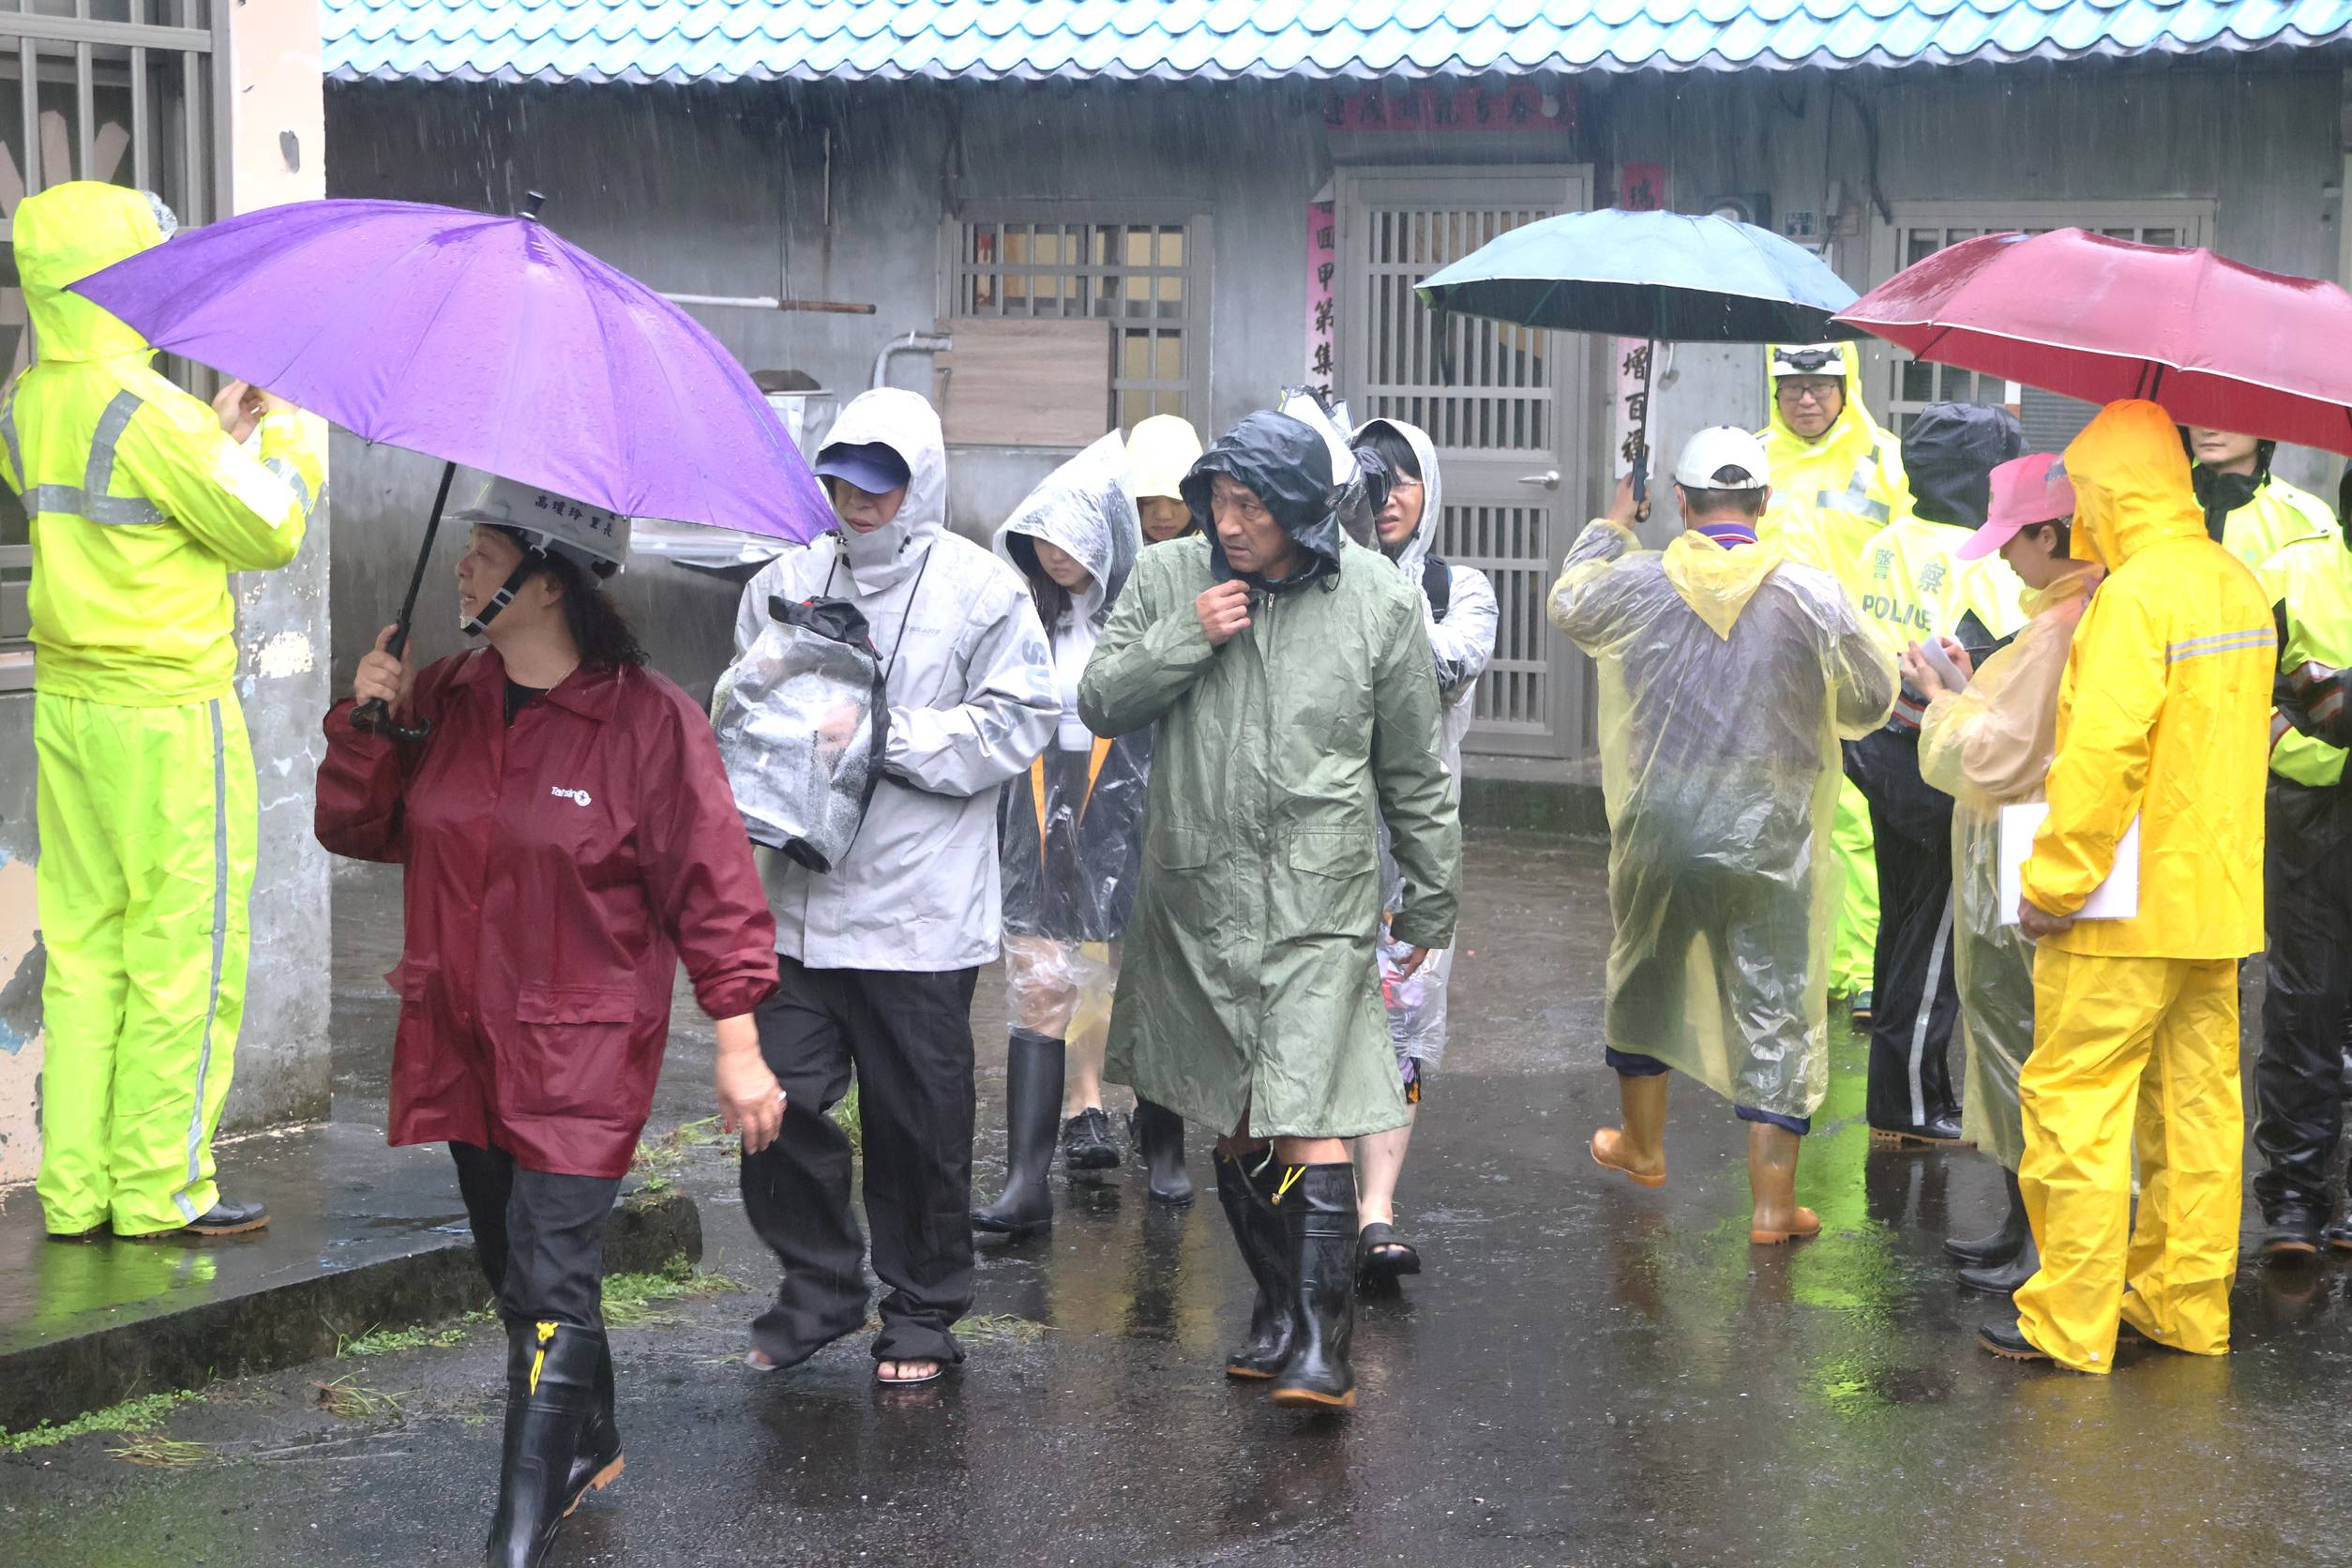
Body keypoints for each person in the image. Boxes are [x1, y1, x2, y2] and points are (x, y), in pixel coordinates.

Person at [315, 479, 784, 1564]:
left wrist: (738, 1040)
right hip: (464, 1033)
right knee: (511, 1261)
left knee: (549, 1274)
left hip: (582, 1041)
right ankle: (589, 1436)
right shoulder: (450, 694)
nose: (464, 572)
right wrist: (368, 716)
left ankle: (515, 1526)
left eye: (484, 554)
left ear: (547, 575)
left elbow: (713, 885)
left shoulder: (650, 724)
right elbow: (357, 825)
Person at [1079, 408, 1459, 1410]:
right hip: (1196, 897)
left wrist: (1433, 896)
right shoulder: (1171, 576)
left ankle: (1325, 1346)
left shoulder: (1377, 600)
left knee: (1309, 1113)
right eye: (1218, 500)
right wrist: (1185, 637)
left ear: (1299, 510)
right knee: (1242, 1121)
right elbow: (1100, 699)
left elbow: (1415, 768)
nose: (1228, 520)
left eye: (1250, 504)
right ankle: (1284, 1305)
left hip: (1318, 900)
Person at [11, 181, 322, 1242]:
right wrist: (283, 442)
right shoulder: (149, 411)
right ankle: (161, 1188)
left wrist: (213, 435)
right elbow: (267, 527)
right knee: (184, 951)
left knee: (89, 955)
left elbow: (144, 507)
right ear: (115, 278)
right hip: (168, 715)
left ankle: (78, 1191)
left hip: (69, 709)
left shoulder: (29, 400)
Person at [729, 388, 1057, 1387]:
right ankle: (822, 1279)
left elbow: (1019, 721)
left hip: (918, 911)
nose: (857, 500)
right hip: (799, 903)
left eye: (881, 484)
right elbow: (741, 700)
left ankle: (920, 1308)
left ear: (922, 485)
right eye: (841, 479)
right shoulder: (785, 575)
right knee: (772, 1101)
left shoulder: (982, 590)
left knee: (920, 1129)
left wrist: (886, 735)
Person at [1979, 400, 2271, 1373]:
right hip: (2216, 904)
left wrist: (2055, 883)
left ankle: (2069, 1321)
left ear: (2109, 491)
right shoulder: (2236, 584)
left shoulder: (2135, 596)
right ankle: (2185, 1307)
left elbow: (2105, 757)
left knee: (2077, 1103)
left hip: (2121, 907)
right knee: (2198, 1113)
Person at [1554, 426, 1895, 1246]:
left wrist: (1610, 525)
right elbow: (1870, 697)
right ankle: (1774, 1209)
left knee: (1646, 977)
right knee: (1777, 1003)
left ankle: (1641, 1146)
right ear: (1765, 503)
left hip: (1661, 823)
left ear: (1680, 502)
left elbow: (1568, 602)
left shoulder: (1635, 583)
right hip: (1770, 834)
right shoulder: (1810, 592)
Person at [970, 431, 1191, 1236]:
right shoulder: (1026, 612)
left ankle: (1160, 1135)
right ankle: (1029, 1174)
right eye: (1043, 541)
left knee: (1140, 969)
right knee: (1041, 977)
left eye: (1072, 541)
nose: (1056, 557)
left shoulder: (1142, 609)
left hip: (1133, 805)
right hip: (1036, 808)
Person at [1910, 454, 2098, 1296]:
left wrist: (1941, 699)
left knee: (2031, 1051)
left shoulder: (2063, 626)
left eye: (2012, 541)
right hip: (2017, 850)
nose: (2002, 558)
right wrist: (1964, 680)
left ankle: (2046, 1244)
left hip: (2027, 855)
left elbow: (1997, 753)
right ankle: (2026, 1228)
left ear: (2050, 535)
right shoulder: (2053, 617)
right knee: (2018, 1047)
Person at [1846, 402, 2026, 1149]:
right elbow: (2007, 665)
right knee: (1939, 938)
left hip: (1880, 750)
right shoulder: (1985, 559)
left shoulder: (1885, 542)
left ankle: (1901, 1094)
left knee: (1903, 925)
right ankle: (1912, 1105)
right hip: (1945, 764)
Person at [1349, 415, 1497, 1285]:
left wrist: (1367, 587)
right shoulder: (1324, 582)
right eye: (1374, 481)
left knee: (1402, 1030)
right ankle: (1316, 1193)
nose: (1390, 497)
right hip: (1323, 847)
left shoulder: (1458, 587)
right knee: (1319, 1018)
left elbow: (1443, 668)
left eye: (1406, 480)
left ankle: (1378, 1213)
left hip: (1417, 855)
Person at [1756, 342, 1909, 1026]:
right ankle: (1801, 968)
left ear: (1847, 384)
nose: (1807, 399)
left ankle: (1864, 968)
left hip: (1862, 670)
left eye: (1821, 384)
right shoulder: (1751, 458)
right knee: (1782, 821)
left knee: (1859, 823)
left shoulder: (1886, 460)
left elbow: (1916, 554)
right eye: (1792, 386)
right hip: (1774, 669)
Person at [2244, 486, 2352, 1259]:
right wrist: (2306, 731)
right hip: (2313, 819)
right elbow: (2242, 692)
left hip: (2310, 810)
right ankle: (2294, 1197)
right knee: (2303, 1009)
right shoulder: (2291, 571)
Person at [2183, 426, 2335, 569]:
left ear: (2262, 421)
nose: (2208, 429)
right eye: (2198, 414)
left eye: (2227, 414)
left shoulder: (2308, 519)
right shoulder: (2165, 506)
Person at [1130, 413, 1205, 544]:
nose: (1163, 515)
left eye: (1177, 500)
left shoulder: (1219, 553)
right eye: (1148, 500)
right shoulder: (1105, 551)